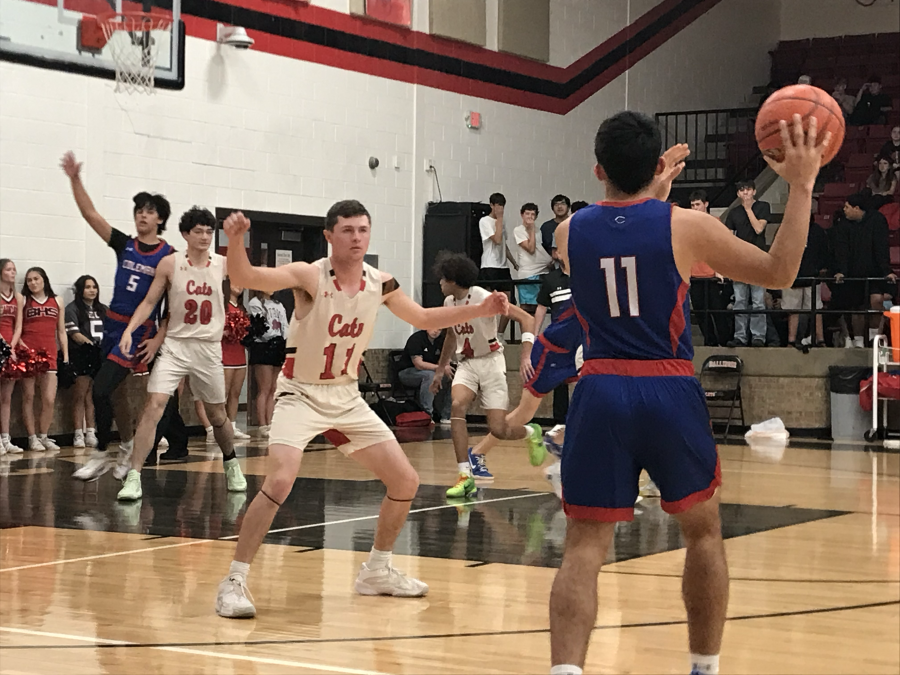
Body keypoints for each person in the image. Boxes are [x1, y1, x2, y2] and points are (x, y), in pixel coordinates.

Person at [549, 111, 829, 675]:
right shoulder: (687, 227)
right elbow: (779, 271)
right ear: (659, 165)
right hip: (667, 387)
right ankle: (704, 667)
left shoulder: (567, 232)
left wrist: (651, 189)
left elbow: (624, 229)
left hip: (599, 388)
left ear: (598, 168)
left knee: (583, 547)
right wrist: (800, 186)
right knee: (702, 534)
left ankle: (566, 670)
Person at [214, 200, 509, 617]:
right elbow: (245, 276)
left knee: (405, 480)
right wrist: (236, 240)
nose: (357, 237)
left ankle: (377, 570)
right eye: (348, 230)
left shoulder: (380, 283)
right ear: (329, 235)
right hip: (301, 395)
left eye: (363, 230)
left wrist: (481, 309)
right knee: (279, 480)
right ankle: (234, 580)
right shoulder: (309, 275)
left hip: (346, 396)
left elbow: (424, 318)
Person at [62, 151, 190, 481]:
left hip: (138, 331)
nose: (142, 215)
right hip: (112, 326)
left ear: (160, 219)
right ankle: (127, 447)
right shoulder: (124, 245)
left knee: (100, 390)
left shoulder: (169, 256)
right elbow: (90, 214)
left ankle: (101, 453)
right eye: (138, 211)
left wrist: (158, 337)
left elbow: (174, 307)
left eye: (149, 211)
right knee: (114, 395)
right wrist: (75, 179)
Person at [116, 207, 247, 501]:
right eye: (198, 231)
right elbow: (149, 302)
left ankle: (231, 462)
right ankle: (134, 476)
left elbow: (251, 273)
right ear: (186, 234)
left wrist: (237, 238)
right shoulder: (170, 264)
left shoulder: (223, 264)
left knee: (217, 414)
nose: (205, 237)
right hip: (176, 345)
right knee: (154, 405)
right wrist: (129, 330)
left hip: (208, 346)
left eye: (209, 232)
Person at [429, 252, 537, 493]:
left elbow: (526, 319)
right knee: (457, 405)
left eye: (443, 278)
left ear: (453, 280)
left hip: (491, 362)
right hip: (467, 363)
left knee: (499, 429)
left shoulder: (483, 297)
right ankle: (464, 475)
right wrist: (440, 369)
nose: (440, 283)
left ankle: (532, 432)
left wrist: (526, 354)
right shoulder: (448, 303)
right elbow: (451, 335)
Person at [831, 192, 895, 348]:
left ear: (857, 208)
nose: (844, 210)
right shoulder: (843, 224)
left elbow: (881, 247)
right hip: (853, 273)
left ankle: (874, 336)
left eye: (847, 207)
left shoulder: (877, 220)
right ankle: (858, 340)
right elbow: (841, 250)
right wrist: (842, 271)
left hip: (875, 271)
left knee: (876, 300)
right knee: (856, 307)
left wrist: (886, 271)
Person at [20, 267, 68, 451]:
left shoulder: (57, 300)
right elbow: (17, 329)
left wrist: (65, 354)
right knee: (29, 396)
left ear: (44, 280)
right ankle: (32, 438)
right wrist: (23, 348)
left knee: (48, 399)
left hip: (50, 354)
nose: (33, 283)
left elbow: (61, 331)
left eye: (36, 279)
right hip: (28, 354)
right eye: (29, 280)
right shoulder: (24, 300)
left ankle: (44, 435)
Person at [725, 180, 771, 347]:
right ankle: (740, 336)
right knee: (740, 300)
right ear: (738, 194)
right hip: (740, 261)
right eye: (742, 190)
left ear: (754, 191)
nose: (745, 193)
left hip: (758, 259)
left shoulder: (763, 206)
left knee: (758, 301)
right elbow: (728, 238)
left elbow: (759, 228)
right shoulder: (733, 213)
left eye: (748, 189)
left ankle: (758, 336)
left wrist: (748, 209)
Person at [65, 275, 107, 449]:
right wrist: (91, 346)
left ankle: (91, 431)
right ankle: (78, 433)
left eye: (94, 287)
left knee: (93, 394)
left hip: (100, 355)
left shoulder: (103, 309)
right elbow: (75, 334)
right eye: (88, 287)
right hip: (82, 354)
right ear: (80, 290)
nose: (92, 290)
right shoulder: (72, 309)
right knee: (80, 394)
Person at [687, 191, 730, 347]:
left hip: (711, 275)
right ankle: (710, 341)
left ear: (706, 204)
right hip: (694, 274)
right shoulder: (688, 224)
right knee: (700, 312)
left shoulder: (715, 222)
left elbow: (721, 248)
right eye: (693, 205)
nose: (695, 208)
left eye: (697, 204)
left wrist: (720, 270)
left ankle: (724, 340)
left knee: (717, 311)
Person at [783, 214, 829, 349]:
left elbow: (824, 252)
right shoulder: (787, 231)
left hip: (811, 278)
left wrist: (819, 269)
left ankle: (820, 340)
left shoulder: (817, 231)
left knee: (816, 309)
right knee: (793, 310)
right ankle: (791, 341)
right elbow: (781, 252)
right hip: (792, 277)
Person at [247, 290, 287, 436]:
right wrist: (271, 337)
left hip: (278, 346)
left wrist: (284, 340)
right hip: (263, 346)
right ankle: (262, 424)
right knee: (264, 387)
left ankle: (271, 422)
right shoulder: (255, 303)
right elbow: (259, 327)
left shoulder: (279, 304)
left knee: (273, 388)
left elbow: (285, 325)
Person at [478, 193, 517, 335]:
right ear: (491, 206)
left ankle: (500, 334)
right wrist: (499, 219)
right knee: (490, 302)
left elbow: (503, 245)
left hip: (503, 267)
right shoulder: (484, 221)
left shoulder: (502, 222)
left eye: (502, 206)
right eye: (497, 205)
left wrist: (514, 262)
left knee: (509, 301)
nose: (500, 209)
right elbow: (497, 240)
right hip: (489, 266)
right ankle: (488, 333)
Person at [397, 328, 452, 423]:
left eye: (439, 329)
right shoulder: (416, 339)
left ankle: (445, 415)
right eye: (433, 327)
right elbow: (419, 364)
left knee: (451, 376)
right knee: (429, 376)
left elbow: (445, 358)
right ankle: (427, 413)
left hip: (432, 370)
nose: (435, 331)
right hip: (408, 372)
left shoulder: (442, 340)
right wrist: (440, 368)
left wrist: (446, 365)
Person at [0, 259, 25, 455]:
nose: (13, 272)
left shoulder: (18, 297)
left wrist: (12, 346)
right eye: (9, 269)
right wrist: (4, 346)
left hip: (11, 349)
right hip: (1, 346)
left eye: (14, 269)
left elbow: (18, 326)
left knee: (6, 397)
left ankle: (6, 439)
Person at [223, 282, 252, 440]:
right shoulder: (222, 305)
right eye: (236, 282)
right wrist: (226, 332)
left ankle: (233, 426)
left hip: (239, 354)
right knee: (224, 393)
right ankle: (221, 426)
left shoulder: (242, 308)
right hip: (225, 354)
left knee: (235, 393)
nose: (239, 286)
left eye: (242, 284)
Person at [514, 203, 553, 314]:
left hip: (542, 271)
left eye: (532, 214)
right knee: (526, 306)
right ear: (522, 215)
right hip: (528, 273)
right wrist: (531, 230)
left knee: (538, 305)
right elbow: (531, 249)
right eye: (527, 214)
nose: (530, 217)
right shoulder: (519, 230)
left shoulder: (539, 231)